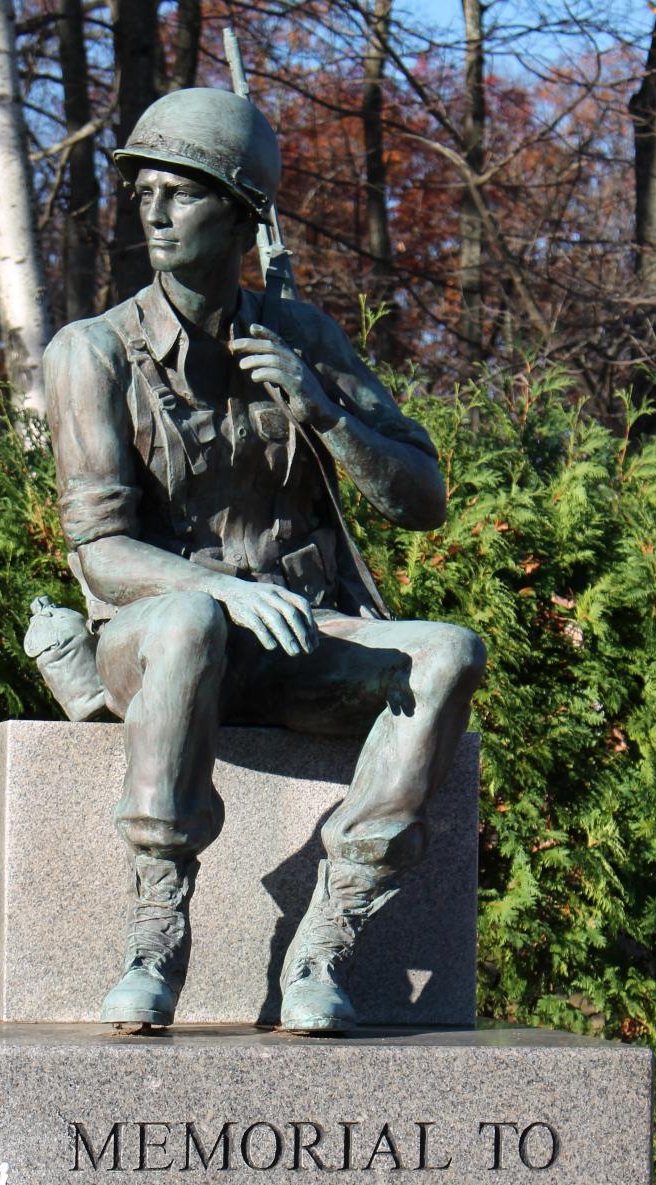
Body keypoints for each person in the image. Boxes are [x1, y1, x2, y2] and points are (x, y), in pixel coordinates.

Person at [42, 87, 485, 1034]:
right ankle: (156, 927)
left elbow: (423, 499)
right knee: (192, 620)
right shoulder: (92, 354)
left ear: (245, 214)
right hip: (161, 637)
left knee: (448, 652)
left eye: (184, 193)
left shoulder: (302, 334)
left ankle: (329, 934)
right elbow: (105, 552)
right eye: (145, 191)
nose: (154, 213)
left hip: (299, 636)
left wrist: (325, 415)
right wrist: (222, 590)